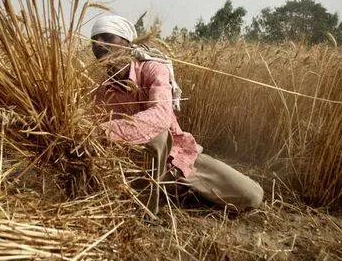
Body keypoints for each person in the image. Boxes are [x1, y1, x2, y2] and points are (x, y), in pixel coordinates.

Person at [91, 14, 263, 215]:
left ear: (128, 43)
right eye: (95, 39)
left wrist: (104, 130)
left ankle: (182, 190)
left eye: (108, 37)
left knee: (252, 196)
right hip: (139, 170)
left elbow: (161, 115)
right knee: (155, 140)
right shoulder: (102, 92)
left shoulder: (152, 68)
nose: (99, 44)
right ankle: (149, 211)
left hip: (178, 158)